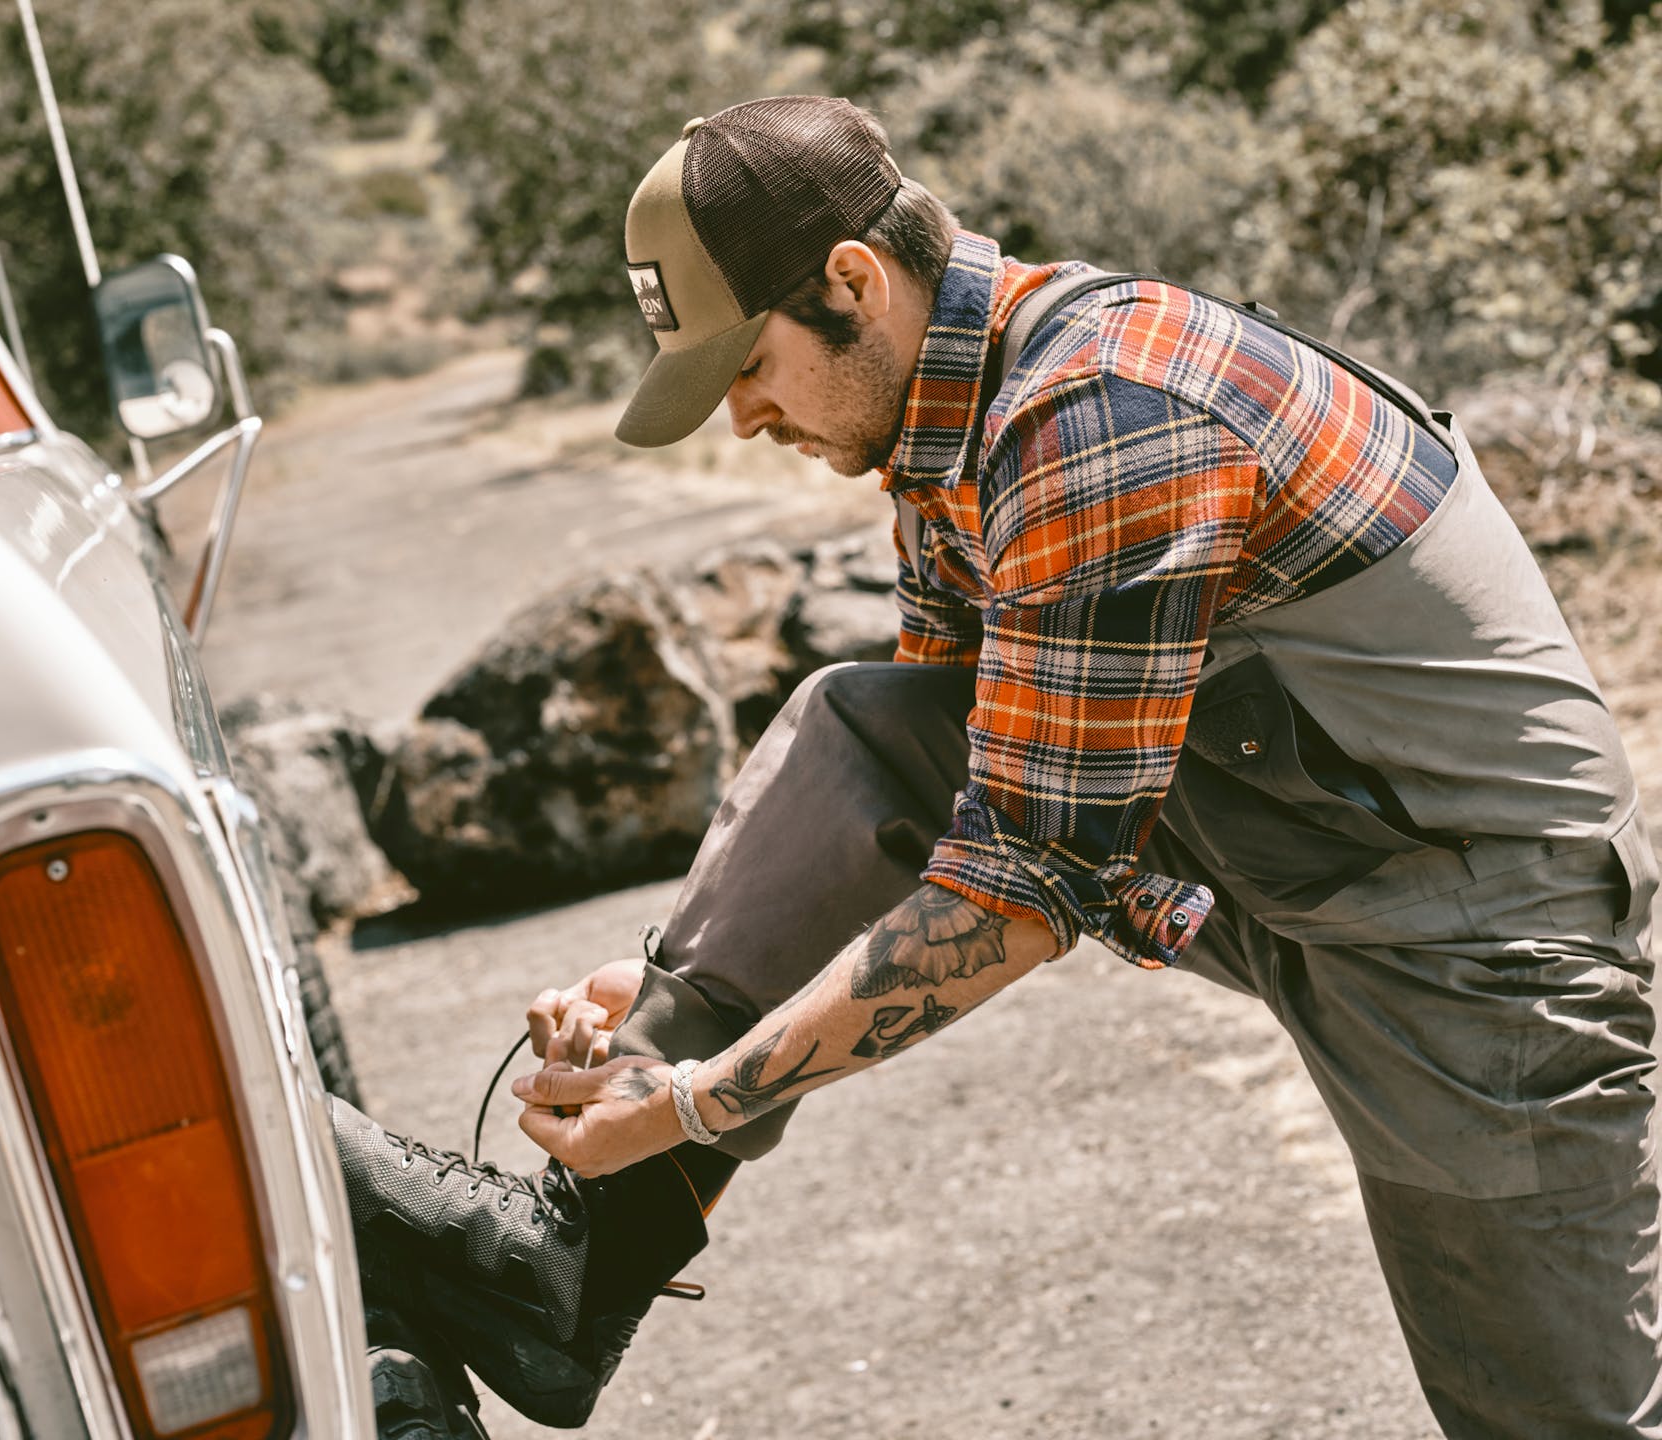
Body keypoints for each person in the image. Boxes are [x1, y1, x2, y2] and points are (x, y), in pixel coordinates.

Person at [335, 96, 1662, 1437]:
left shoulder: (1098, 416)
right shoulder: (940, 424)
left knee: (1555, 1425)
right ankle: (578, 1270)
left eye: (748, 365)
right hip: (1281, 861)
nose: (741, 418)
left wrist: (685, 1102)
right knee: (870, 721)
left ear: (854, 282)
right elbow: (912, 791)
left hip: (1484, 945)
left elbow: (1015, 891)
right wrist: (675, 992)